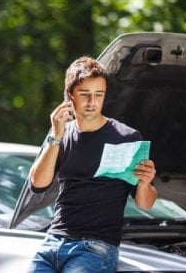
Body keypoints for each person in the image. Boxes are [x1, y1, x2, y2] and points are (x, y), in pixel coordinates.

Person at [28, 56, 157, 273]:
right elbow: (37, 185)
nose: (92, 102)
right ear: (70, 96)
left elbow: (145, 203)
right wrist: (55, 135)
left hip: (96, 247)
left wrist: (145, 183)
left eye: (99, 95)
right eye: (84, 94)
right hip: (53, 241)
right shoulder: (60, 133)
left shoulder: (126, 136)